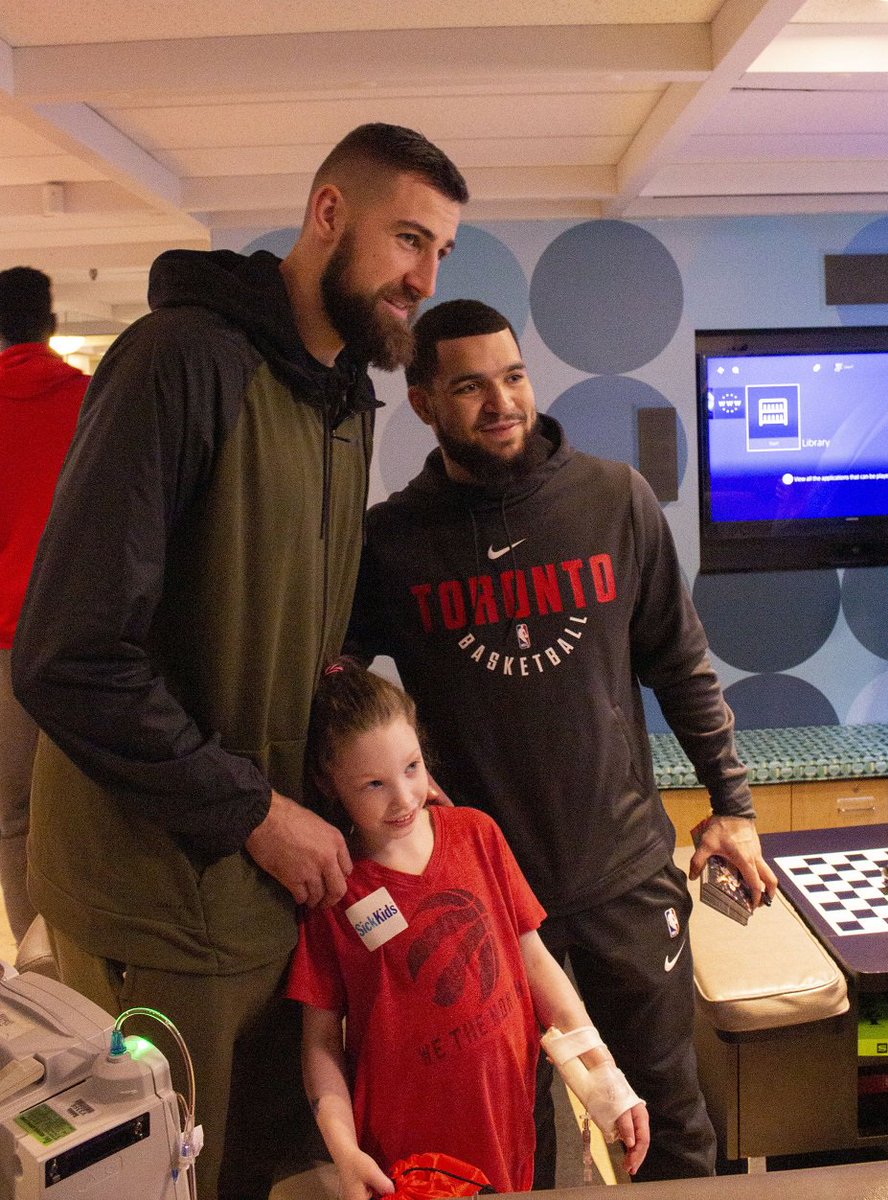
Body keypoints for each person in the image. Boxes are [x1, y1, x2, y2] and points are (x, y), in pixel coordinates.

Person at [12, 124, 467, 1200]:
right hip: (154, 901)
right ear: (328, 215)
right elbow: (69, 656)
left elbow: (293, 643)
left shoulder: (344, 399)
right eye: (409, 238)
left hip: (271, 901)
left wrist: (383, 774)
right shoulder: (178, 360)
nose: (425, 278)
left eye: (442, 251)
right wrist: (256, 812)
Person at [345, 298, 779, 1184]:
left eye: (512, 377)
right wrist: (387, 792)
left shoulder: (613, 499)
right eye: (469, 387)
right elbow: (334, 685)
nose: (501, 402)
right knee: (518, 1134)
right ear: (422, 403)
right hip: (483, 898)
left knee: (668, 1116)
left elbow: (680, 664)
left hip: (622, 876)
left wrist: (731, 805)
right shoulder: (392, 541)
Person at [286, 660, 649, 1200]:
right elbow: (319, 1044)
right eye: (374, 784)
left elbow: (535, 963)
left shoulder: (478, 834)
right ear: (329, 783)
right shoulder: (336, 892)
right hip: (407, 1162)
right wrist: (344, 1150)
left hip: (506, 1125)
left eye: (412, 768)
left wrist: (606, 1079)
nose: (403, 798)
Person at [0, 267, 87, 945]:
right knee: (92, 806)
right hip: (87, 637)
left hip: (4, 641)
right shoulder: (94, 401)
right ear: (50, 326)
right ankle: (94, 956)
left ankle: (38, 973)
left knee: (16, 816)